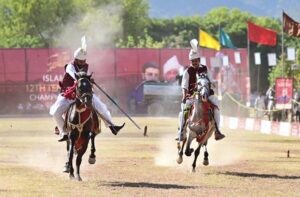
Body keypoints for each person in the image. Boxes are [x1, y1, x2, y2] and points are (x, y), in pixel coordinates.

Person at [49, 37, 124, 142]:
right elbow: (75, 76)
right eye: (80, 61)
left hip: (83, 94)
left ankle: (112, 126)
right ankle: (64, 132)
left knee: (101, 106)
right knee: (55, 112)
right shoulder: (69, 67)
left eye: (84, 61)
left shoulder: (86, 66)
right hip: (68, 95)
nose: (82, 63)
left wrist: (89, 80)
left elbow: (87, 77)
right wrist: (84, 78)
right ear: (76, 59)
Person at [177, 39, 225, 141]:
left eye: (196, 61)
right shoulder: (187, 71)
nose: (194, 63)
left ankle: (217, 131)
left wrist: (214, 83)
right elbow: (184, 86)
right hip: (191, 96)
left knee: (216, 106)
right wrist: (184, 95)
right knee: (182, 112)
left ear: (199, 60)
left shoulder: (205, 68)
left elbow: (211, 80)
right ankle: (181, 132)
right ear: (190, 61)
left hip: (206, 94)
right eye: (192, 61)